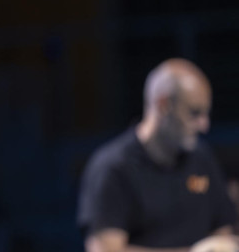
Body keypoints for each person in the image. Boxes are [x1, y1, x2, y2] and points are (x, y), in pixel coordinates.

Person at [77, 58, 237, 252]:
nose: (204, 125)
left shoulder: (201, 158)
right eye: (194, 113)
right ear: (163, 105)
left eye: (206, 113)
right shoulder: (113, 167)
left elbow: (223, 234)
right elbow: (104, 250)